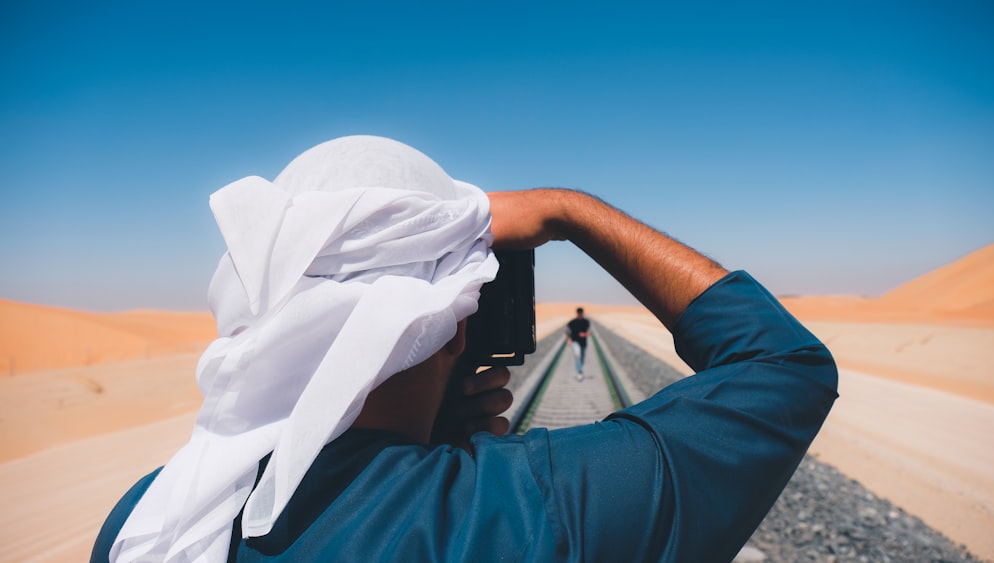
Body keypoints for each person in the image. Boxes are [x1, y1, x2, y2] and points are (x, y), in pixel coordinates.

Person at [93, 135, 838, 563]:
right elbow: (783, 365)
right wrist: (570, 211)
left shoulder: (149, 517)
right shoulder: (526, 509)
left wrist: (421, 442)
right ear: (453, 323)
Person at [566, 307, 591, 378]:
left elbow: (589, 332)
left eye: (581, 313)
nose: (580, 314)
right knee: (577, 355)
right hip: (575, 341)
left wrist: (585, 334)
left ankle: (580, 368)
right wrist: (568, 338)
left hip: (583, 342)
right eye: (579, 313)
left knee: (582, 356)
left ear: (583, 313)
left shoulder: (586, 322)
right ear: (577, 313)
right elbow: (567, 330)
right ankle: (579, 372)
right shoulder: (572, 322)